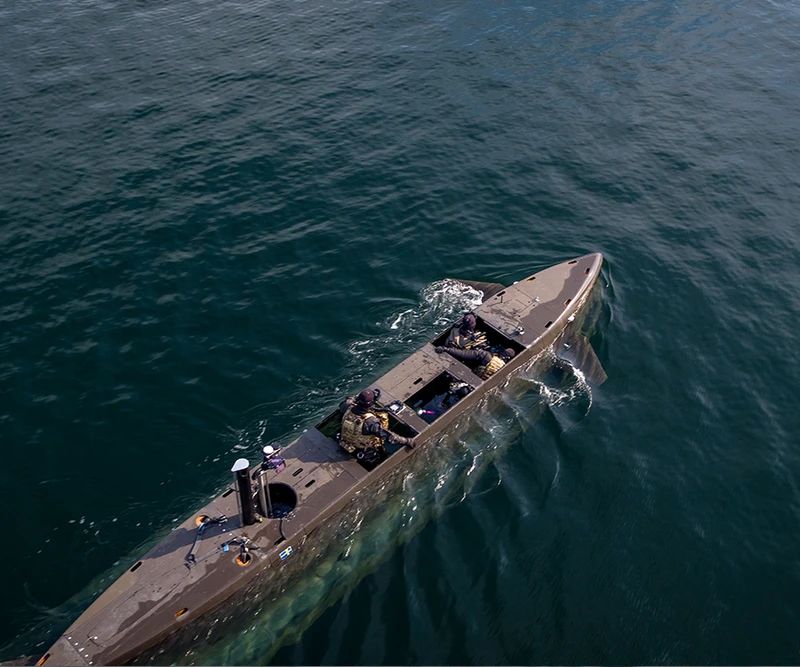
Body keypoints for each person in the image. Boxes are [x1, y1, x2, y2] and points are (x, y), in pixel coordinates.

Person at [339, 390, 415, 462]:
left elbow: (348, 400)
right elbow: (389, 437)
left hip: (345, 443)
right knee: (380, 457)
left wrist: (356, 397)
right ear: (371, 404)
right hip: (365, 451)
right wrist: (406, 441)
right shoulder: (370, 422)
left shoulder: (346, 407)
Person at [435, 345, 516, 380]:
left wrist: (446, 349)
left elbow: (463, 354)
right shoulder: (504, 369)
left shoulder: (487, 357)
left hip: (470, 376)